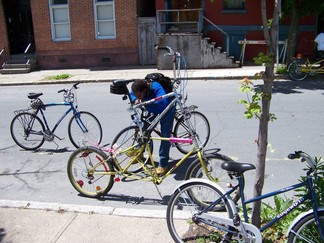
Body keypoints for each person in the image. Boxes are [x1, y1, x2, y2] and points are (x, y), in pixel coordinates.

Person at [130, 79, 175, 175]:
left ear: (145, 90)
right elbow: (131, 94)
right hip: (152, 107)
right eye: (137, 96)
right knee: (144, 131)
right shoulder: (138, 88)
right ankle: (139, 153)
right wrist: (135, 100)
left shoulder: (156, 87)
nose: (139, 98)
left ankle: (163, 164)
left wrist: (145, 102)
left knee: (165, 135)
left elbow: (162, 103)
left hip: (167, 107)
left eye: (140, 96)